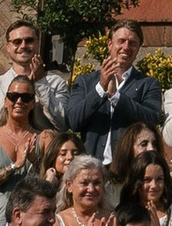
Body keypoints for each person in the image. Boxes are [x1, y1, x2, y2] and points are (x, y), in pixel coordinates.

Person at [56, 19, 165, 168]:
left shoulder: (148, 84)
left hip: (128, 169)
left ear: (138, 48)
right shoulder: (85, 82)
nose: (126, 47)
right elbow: (74, 121)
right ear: (110, 44)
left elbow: (151, 120)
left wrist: (116, 97)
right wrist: (101, 88)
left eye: (132, 43)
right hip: (91, 167)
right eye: (121, 41)